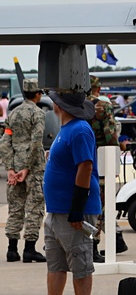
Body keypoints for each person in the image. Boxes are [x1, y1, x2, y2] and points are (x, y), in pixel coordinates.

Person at [43, 90, 101, 295]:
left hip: (73, 211)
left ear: (61, 106)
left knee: (80, 266)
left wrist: (77, 208)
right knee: (55, 265)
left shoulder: (80, 130)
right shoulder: (66, 129)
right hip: (57, 211)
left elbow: (85, 167)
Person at [1, 79, 47, 263]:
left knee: (15, 207)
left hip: (15, 164)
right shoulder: (38, 114)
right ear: (37, 94)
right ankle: (30, 249)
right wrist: (27, 167)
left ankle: (12, 250)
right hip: (33, 168)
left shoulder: (13, 114)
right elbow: (36, 142)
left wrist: (11, 169)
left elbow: (5, 142)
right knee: (34, 207)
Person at [87, 75, 129, 262]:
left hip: (81, 159)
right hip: (101, 162)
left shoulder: (74, 106)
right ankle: (94, 247)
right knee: (100, 204)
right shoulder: (103, 107)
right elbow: (111, 136)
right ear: (98, 89)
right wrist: (116, 156)